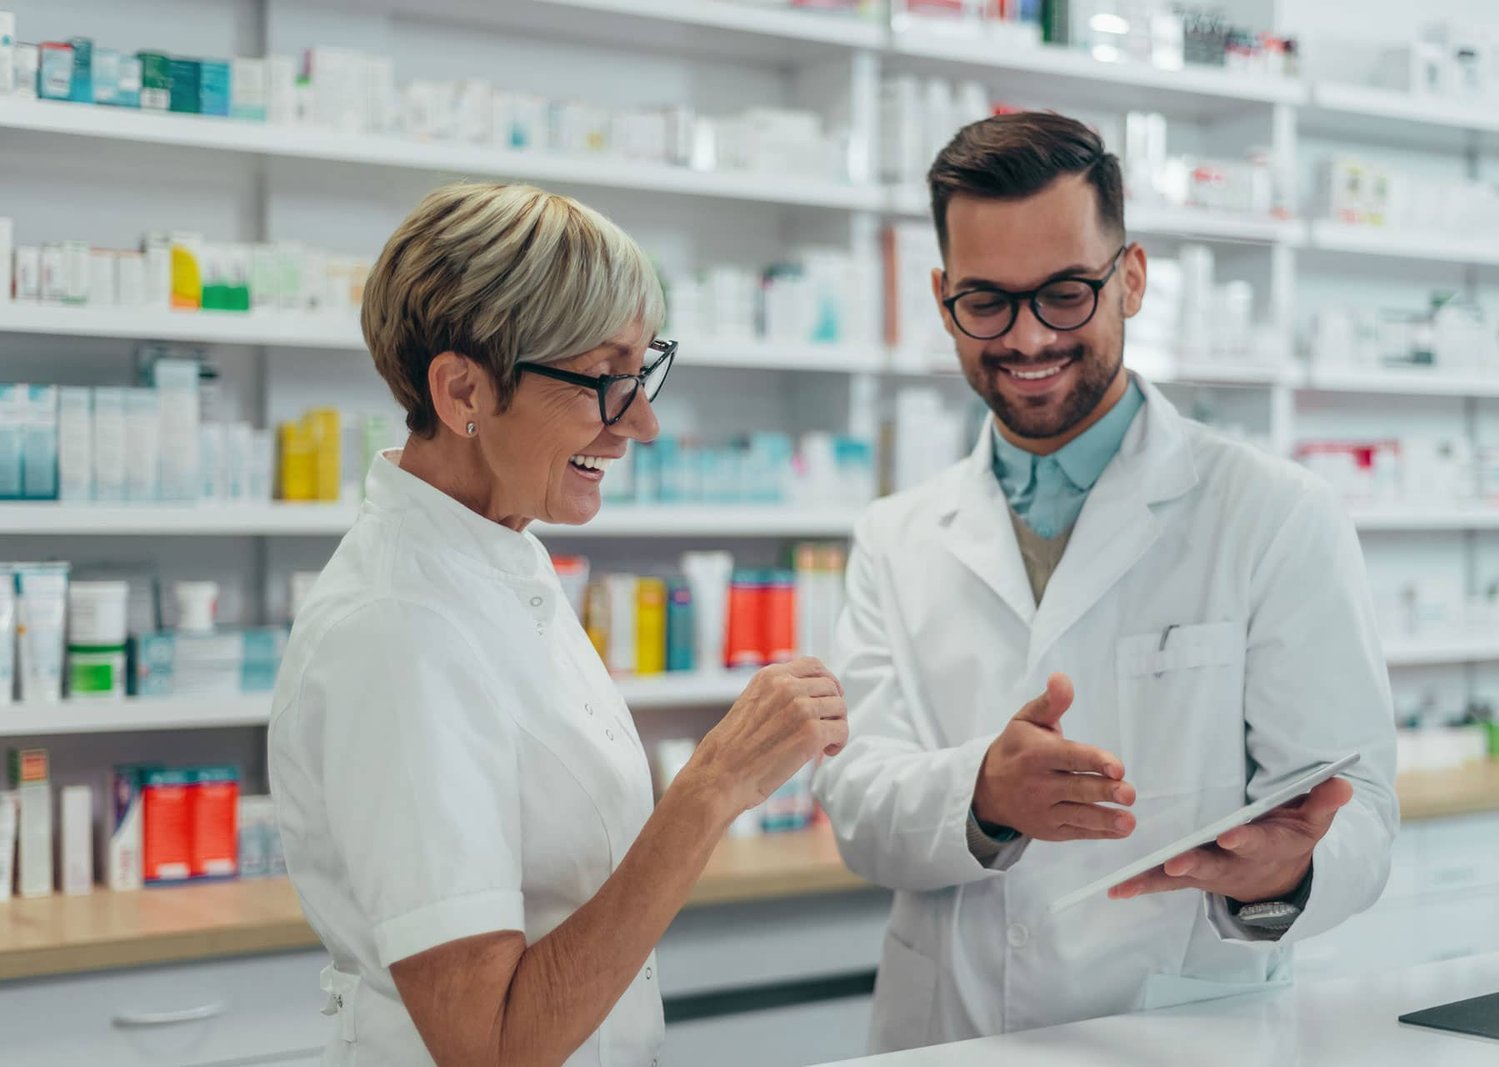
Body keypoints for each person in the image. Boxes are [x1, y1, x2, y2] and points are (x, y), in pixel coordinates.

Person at [810, 112, 1398, 1053]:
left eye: (1067, 293)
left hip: (1181, 1025)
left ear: (1130, 277)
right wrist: (983, 797)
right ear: (942, 295)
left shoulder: (1273, 513)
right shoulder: (894, 535)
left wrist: (1284, 873)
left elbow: (1357, 805)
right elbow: (860, 813)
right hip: (953, 1029)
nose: (1028, 335)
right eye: (987, 302)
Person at [268, 181, 849, 1066]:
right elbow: (488, 1046)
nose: (642, 423)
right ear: (463, 388)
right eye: (607, 380)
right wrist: (713, 786)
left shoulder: (502, 553)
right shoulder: (396, 635)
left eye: (643, 370)